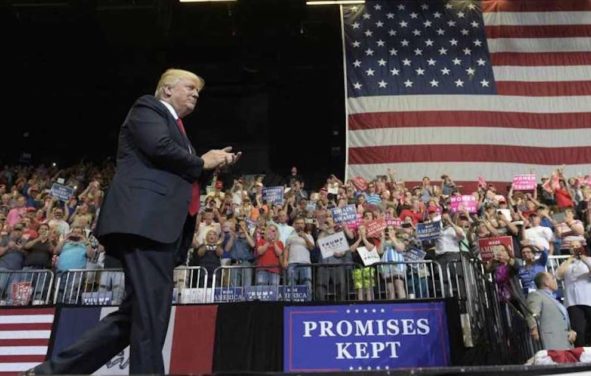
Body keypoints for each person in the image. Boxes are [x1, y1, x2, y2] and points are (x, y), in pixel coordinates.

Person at [28, 68, 239, 375]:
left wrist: (209, 162)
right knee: (153, 313)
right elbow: (159, 149)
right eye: (190, 87)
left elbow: (180, 169)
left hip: (160, 229)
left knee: (135, 315)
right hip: (146, 225)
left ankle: (51, 372)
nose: (196, 94)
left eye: (198, 91)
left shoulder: (180, 132)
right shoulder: (148, 108)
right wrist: (200, 161)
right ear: (167, 90)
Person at [527, 272, 576, 350]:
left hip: (566, 343)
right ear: (546, 282)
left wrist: (571, 331)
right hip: (551, 343)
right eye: (553, 278)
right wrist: (534, 329)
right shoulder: (537, 295)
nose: (555, 280)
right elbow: (532, 313)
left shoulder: (554, 299)